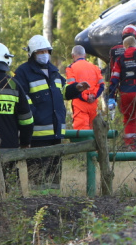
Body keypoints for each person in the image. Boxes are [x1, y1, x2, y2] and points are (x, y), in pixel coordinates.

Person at [12, 35, 90, 186]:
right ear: (32, 53)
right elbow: (22, 102)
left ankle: (54, 205)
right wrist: (35, 118)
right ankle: (37, 206)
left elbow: (62, 92)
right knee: (37, 178)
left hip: (56, 134)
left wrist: (76, 88)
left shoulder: (53, 71)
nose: (44, 54)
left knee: (54, 177)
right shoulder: (23, 72)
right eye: (40, 51)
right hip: (37, 136)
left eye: (46, 50)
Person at [65, 46, 104, 131]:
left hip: (79, 105)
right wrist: (93, 96)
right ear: (85, 55)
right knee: (95, 133)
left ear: (73, 56)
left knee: (82, 133)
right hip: (93, 105)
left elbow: (72, 88)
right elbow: (101, 86)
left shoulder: (71, 68)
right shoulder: (95, 67)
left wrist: (85, 97)